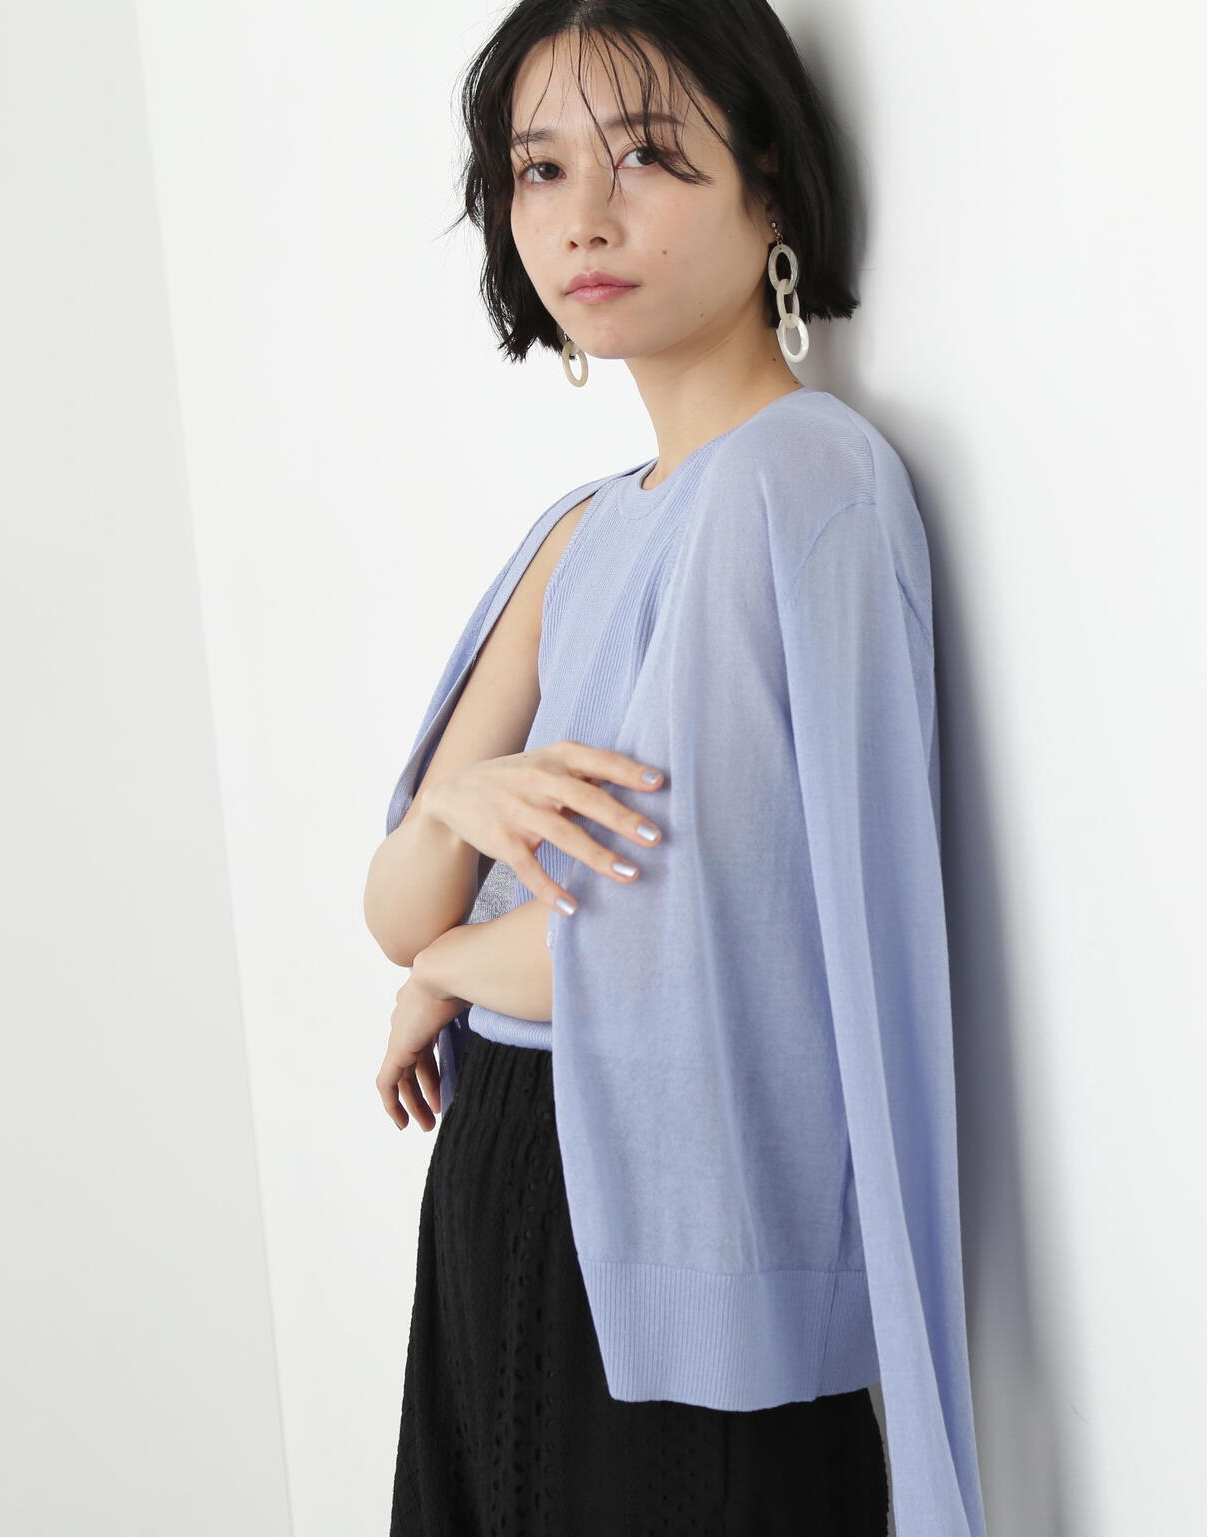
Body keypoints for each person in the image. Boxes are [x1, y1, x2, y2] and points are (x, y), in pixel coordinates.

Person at [364, 4, 988, 1534]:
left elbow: (679, 939)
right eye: (540, 169)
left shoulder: (800, 479)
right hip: (510, 1194)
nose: (583, 216)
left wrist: (449, 956)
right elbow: (396, 896)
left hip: (681, 1231)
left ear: (769, 182)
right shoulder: (584, 525)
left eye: (646, 155)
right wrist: (452, 825)